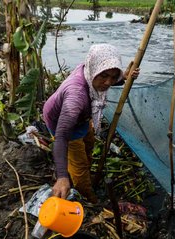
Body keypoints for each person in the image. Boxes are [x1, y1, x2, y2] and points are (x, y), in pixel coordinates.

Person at [43, 44, 140, 203]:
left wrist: (124, 77)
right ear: (94, 70)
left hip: (82, 120)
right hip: (63, 123)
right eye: (104, 76)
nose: (108, 82)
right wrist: (61, 176)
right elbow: (61, 137)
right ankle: (88, 197)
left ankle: (84, 170)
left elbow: (107, 80)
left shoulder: (89, 71)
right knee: (79, 167)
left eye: (114, 76)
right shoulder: (76, 97)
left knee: (88, 145)